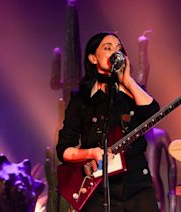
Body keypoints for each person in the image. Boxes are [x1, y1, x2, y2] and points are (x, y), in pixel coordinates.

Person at [56, 32, 160, 211]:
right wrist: (91, 153)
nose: (115, 52)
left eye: (118, 48)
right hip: (97, 188)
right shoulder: (81, 99)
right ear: (93, 58)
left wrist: (127, 80)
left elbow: (152, 114)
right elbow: (64, 150)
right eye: (108, 48)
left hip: (137, 187)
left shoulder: (132, 92)